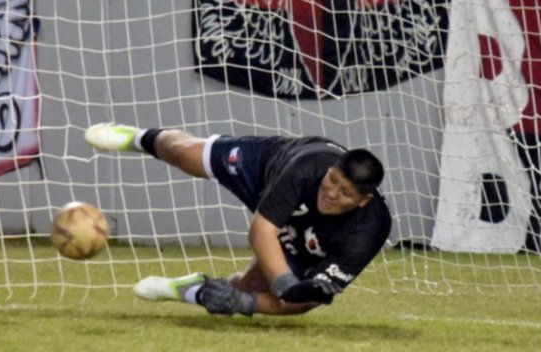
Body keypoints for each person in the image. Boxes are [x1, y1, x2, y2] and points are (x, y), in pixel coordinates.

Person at [84, 123, 393, 317]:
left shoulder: (370, 230)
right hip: (265, 169)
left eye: (346, 192)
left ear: (363, 200)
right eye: (332, 180)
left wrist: (244, 303)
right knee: (181, 152)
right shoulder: (308, 166)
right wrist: (285, 284)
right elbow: (261, 231)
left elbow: (310, 300)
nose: (332, 193)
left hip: (306, 238)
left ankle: (191, 290)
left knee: (252, 288)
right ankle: (138, 138)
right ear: (330, 169)